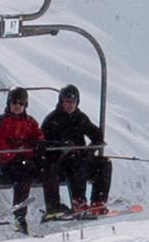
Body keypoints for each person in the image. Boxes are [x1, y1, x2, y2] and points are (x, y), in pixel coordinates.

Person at [0, 87, 47, 235]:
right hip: (8, 164)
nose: (17, 106)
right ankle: (19, 217)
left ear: (25, 105)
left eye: (21, 103)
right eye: (14, 103)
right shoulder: (1, 122)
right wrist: (18, 155)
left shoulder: (29, 122)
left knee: (49, 169)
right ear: (9, 103)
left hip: (24, 161)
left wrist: (38, 146)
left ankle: (53, 206)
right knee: (23, 176)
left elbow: (38, 136)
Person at [39, 84, 107, 217]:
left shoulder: (80, 118)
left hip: (80, 159)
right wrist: (62, 148)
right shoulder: (52, 120)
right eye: (67, 102)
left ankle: (98, 201)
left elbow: (97, 135)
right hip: (59, 164)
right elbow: (43, 144)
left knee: (104, 164)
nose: (70, 105)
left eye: (73, 102)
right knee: (77, 163)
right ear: (61, 101)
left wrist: (88, 150)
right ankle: (78, 201)